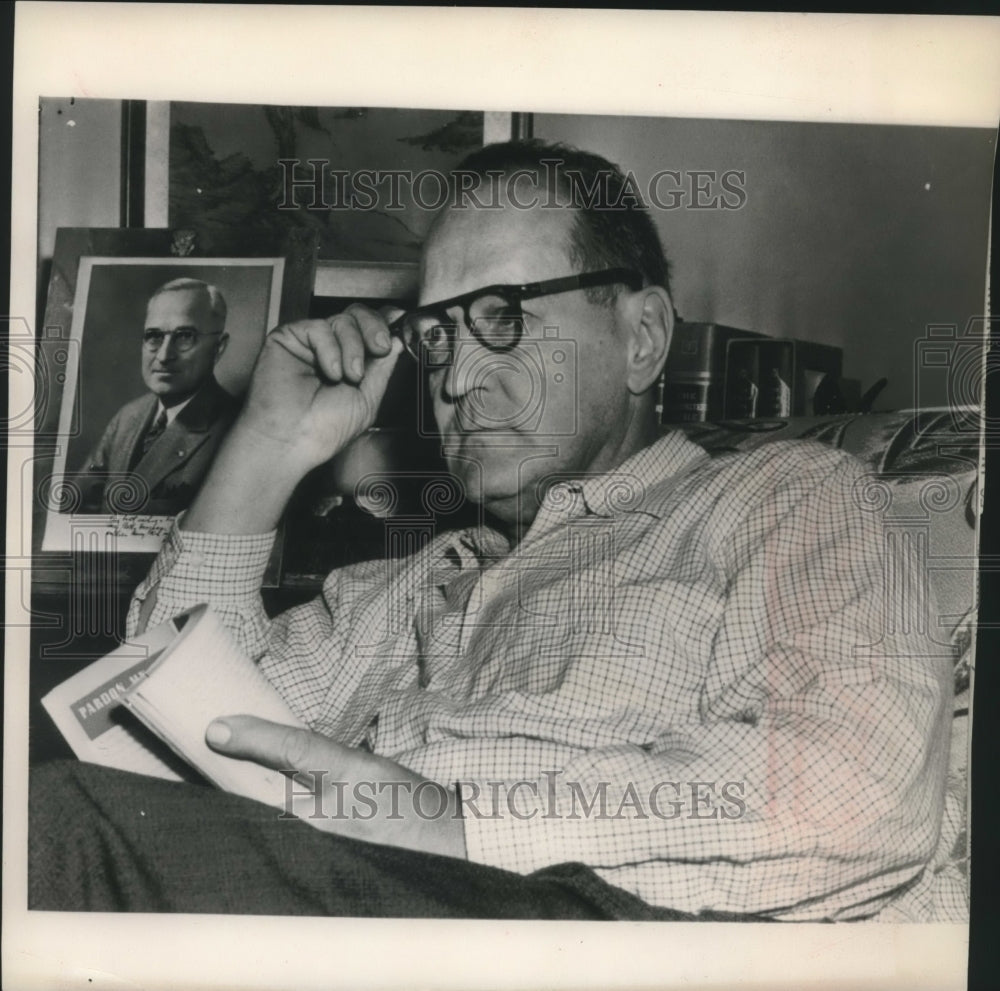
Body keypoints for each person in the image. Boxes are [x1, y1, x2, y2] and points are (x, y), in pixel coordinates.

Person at [30, 141, 954, 921]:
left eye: (502, 320)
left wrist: (451, 820)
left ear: (642, 337)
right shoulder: (407, 581)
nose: (458, 378)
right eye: (436, 335)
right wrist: (265, 449)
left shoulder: (787, 500)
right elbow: (164, 714)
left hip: (582, 921)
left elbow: (852, 784)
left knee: (60, 826)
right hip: (347, 903)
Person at [73, 277, 240, 515]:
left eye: (184, 336)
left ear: (218, 347)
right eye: (154, 336)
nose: (163, 355)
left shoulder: (235, 432)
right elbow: (73, 504)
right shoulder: (129, 415)